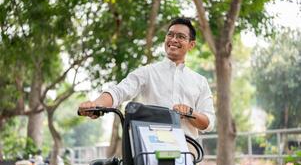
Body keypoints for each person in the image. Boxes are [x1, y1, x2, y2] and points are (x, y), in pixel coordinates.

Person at [79, 17, 215, 138]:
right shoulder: (148, 72)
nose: (173, 40)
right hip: (151, 149)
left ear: (191, 44)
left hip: (187, 153)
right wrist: (96, 105)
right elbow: (119, 91)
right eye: (170, 35)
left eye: (180, 36)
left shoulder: (200, 82)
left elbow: (208, 123)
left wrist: (190, 113)